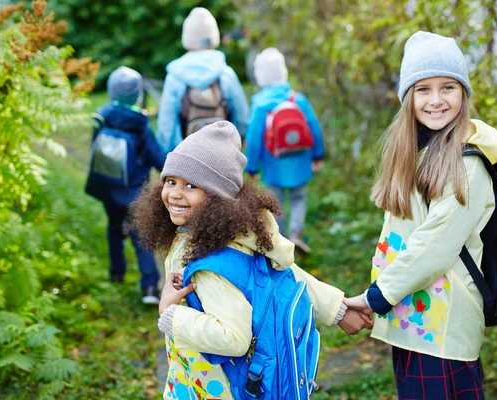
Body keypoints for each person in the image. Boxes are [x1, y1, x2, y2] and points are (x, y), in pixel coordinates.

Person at [127, 121, 373, 399]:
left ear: (217, 199)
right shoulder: (242, 236)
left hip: (212, 385)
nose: (175, 193)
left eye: (191, 185)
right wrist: (337, 310)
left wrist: (169, 313)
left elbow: (234, 338)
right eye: (170, 181)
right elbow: (286, 274)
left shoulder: (209, 265)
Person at [344, 31, 497, 399]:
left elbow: (435, 245)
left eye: (448, 87)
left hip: (444, 325)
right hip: (413, 316)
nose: (436, 100)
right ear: (408, 98)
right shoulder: (417, 152)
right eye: (423, 89)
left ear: (463, 94)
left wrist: (376, 296)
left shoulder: (469, 165)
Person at [85, 66, 165, 305]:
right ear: (137, 94)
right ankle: (150, 287)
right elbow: (157, 158)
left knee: (114, 229)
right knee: (141, 235)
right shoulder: (140, 125)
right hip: (136, 192)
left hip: (109, 187)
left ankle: (116, 273)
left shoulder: (102, 117)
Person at [245, 47, 324, 253]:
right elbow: (314, 127)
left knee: (276, 201)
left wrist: (252, 167)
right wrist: (317, 155)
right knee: (298, 197)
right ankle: (297, 233)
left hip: (273, 164)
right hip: (300, 161)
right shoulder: (297, 99)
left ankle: (281, 241)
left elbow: (253, 139)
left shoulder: (260, 104)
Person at [156, 7, 249, 152]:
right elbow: (242, 116)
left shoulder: (175, 77)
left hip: (186, 157)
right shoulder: (225, 73)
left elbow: (166, 127)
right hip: (222, 154)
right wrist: (240, 139)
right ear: (214, 36)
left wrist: (168, 155)